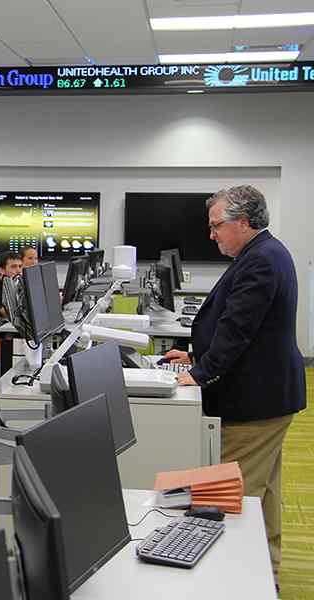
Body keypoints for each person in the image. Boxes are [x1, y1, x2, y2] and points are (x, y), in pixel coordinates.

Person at [163, 185, 306, 584]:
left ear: (242, 222)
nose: (212, 235)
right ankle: (267, 573)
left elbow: (238, 331)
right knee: (264, 491)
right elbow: (245, 327)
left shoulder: (261, 261)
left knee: (233, 495)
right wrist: (195, 358)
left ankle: (242, 583)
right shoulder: (261, 253)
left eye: (216, 226)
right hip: (268, 395)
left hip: (254, 402)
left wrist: (198, 374)